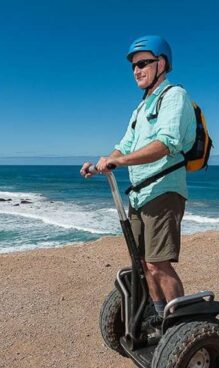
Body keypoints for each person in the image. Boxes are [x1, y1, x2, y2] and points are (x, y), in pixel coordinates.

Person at [81, 35, 196, 321]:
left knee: (159, 263)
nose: (136, 70)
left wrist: (120, 160)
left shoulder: (174, 97)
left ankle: (181, 326)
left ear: (162, 63)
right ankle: (160, 317)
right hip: (139, 194)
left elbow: (166, 143)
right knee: (143, 263)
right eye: (134, 66)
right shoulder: (140, 109)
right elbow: (125, 145)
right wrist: (102, 164)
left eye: (143, 63)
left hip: (164, 190)